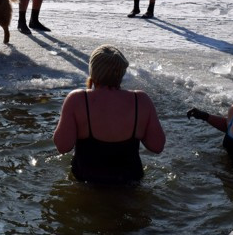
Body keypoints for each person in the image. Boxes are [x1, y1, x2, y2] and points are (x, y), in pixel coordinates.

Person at [53, 45, 165, 184]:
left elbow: (63, 146)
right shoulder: (141, 100)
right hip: (130, 184)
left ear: (93, 71)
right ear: (121, 72)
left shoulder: (77, 99)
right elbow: (157, 146)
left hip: (88, 184)